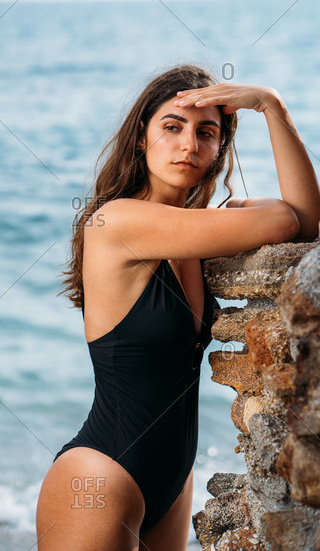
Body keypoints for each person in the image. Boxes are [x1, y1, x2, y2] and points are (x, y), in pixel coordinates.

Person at [35, 64, 320, 551]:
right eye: (172, 127)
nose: (188, 144)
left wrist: (272, 106)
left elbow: (308, 222)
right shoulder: (117, 222)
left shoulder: (195, 233)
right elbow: (285, 220)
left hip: (172, 483)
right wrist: (262, 213)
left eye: (205, 133)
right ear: (141, 140)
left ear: (217, 153)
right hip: (99, 476)